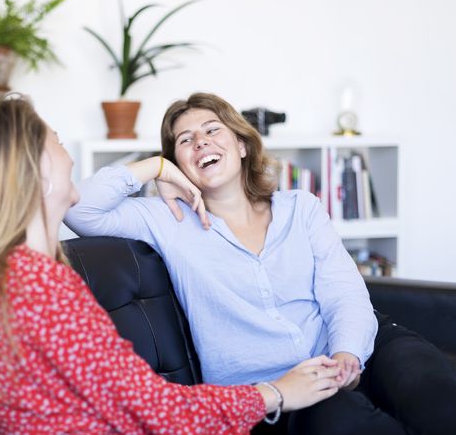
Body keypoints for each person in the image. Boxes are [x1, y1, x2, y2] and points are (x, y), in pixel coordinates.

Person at [0, 95, 341, 435]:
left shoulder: (14, 278)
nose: (67, 153)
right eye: (56, 142)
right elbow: (157, 410)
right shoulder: (37, 286)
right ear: (36, 171)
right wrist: (277, 393)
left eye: (213, 130)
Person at [64, 92, 456, 435]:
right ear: (180, 164)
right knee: (344, 420)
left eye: (212, 130)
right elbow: (81, 209)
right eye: (185, 140)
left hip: (358, 346)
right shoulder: (166, 219)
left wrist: (347, 353)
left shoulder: (300, 208)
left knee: (435, 393)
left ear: (242, 145)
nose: (201, 142)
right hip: (279, 389)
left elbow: (344, 291)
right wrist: (157, 167)